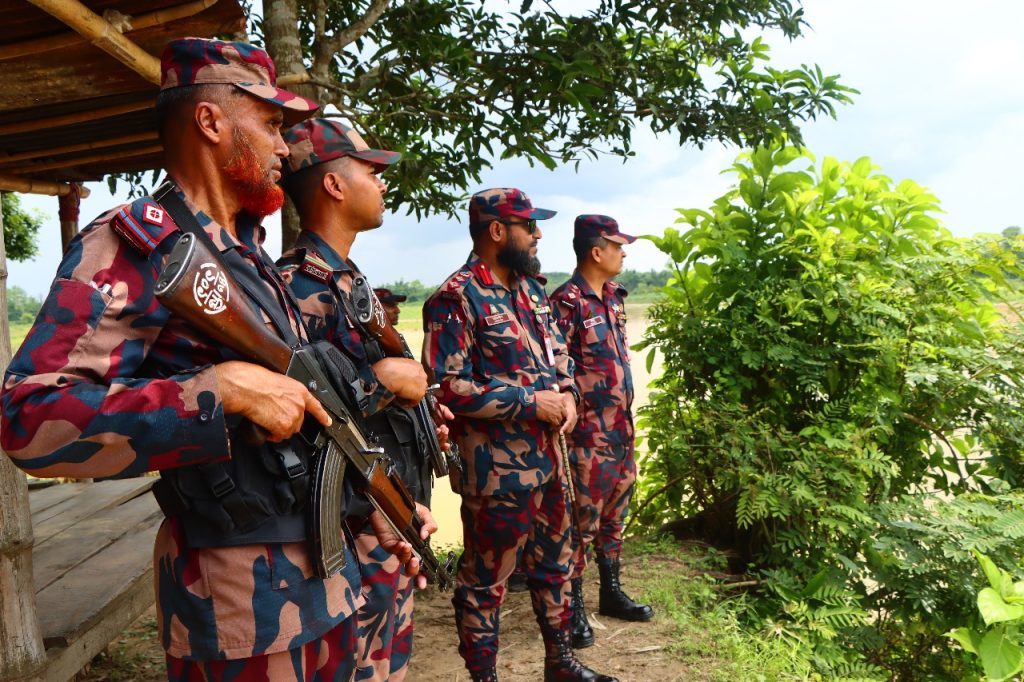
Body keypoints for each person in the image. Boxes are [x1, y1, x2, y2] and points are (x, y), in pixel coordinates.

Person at [0, 38, 418, 681]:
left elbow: (311, 433)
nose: (285, 147)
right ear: (211, 120)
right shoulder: (138, 244)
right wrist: (212, 393)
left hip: (325, 584)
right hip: (238, 606)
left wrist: (377, 510)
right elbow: (28, 417)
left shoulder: (251, 261)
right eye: (272, 124)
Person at [422, 188, 618, 682]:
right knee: (486, 582)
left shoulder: (531, 290)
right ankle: (484, 677)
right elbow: (446, 386)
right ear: (496, 231)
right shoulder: (456, 296)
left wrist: (569, 393)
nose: (537, 235)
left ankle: (561, 663)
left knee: (556, 564)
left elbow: (559, 356)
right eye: (528, 226)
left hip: (551, 462)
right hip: (496, 473)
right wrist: (534, 402)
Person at [276, 118, 440, 681]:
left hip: (390, 508)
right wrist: (384, 384)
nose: (384, 182)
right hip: (350, 522)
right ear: (334, 185)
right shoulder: (296, 286)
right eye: (372, 170)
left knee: (389, 663)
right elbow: (297, 410)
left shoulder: (349, 280)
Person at [550, 215, 655, 650]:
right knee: (580, 522)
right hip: (587, 436)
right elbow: (558, 367)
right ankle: (573, 607)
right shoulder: (566, 302)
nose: (623, 251)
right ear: (597, 251)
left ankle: (610, 592)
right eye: (617, 244)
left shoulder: (612, 298)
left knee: (615, 515)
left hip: (620, 430)